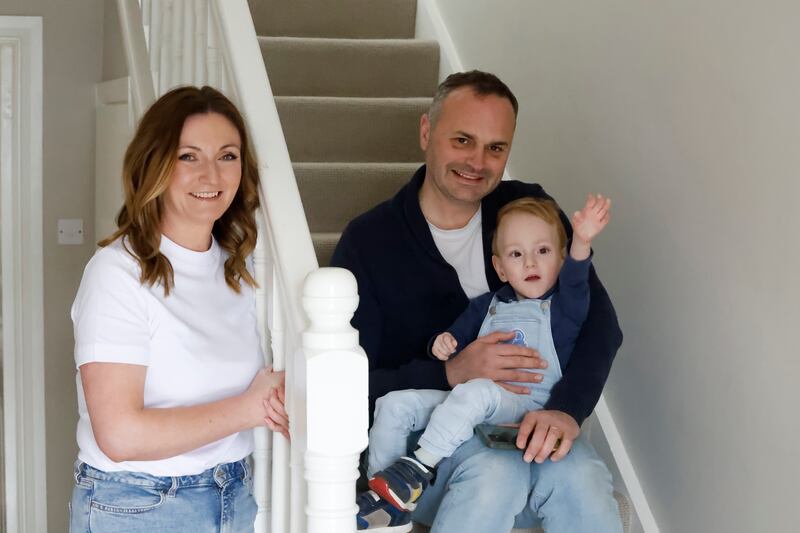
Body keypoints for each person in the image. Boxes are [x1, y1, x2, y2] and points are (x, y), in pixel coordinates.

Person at [331, 71, 623, 533]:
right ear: (426, 131)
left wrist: (567, 409)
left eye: (496, 147)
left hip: (526, 422)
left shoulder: (527, 210)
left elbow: (599, 324)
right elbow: (348, 383)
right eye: (462, 140)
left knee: (584, 476)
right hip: (430, 449)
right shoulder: (369, 242)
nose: (478, 162)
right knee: (496, 472)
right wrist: (450, 372)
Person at [69, 86, 289, 533]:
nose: (212, 174)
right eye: (189, 156)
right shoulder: (117, 274)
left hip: (232, 493)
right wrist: (250, 409)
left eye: (227, 156)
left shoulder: (238, 269)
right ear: (155, 165)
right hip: (139, 505)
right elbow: (119, 435)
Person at [361, 194, 611, 522]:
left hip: (527, 406)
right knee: (394, 404)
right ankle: (386, 499)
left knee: (478, 392)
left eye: (543, 251)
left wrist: (582, 240)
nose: (530, 263)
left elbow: (578, 280)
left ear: (561, 261)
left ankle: (418, 467)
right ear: (500, 268)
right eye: (516, 254)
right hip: (474, 406)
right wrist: (442, 343)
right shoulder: (487, 306)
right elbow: (455, 340)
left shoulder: (565, 308)